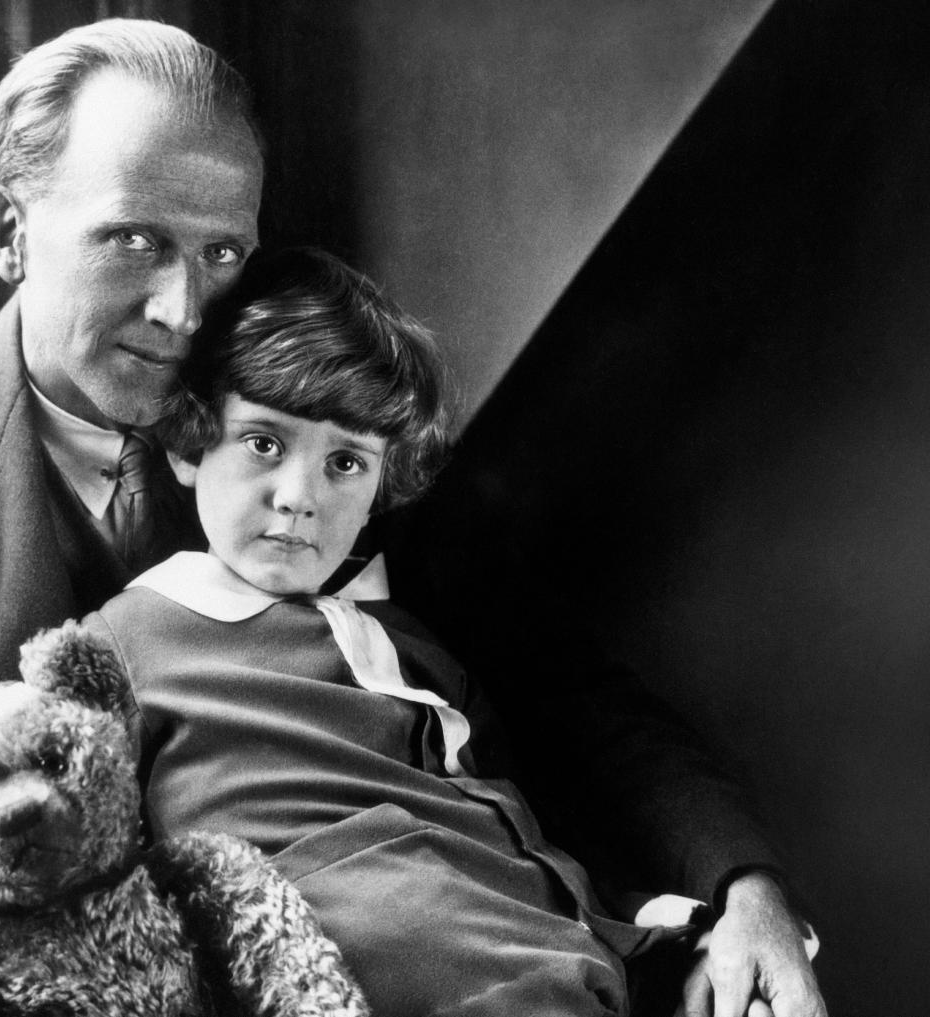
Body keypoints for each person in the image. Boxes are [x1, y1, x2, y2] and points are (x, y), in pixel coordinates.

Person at [0, 17, 822, 1017]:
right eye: (133, 242)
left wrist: (744, 888)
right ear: (5, 232)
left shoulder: (309, 422)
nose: (185, 311)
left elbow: (565, 690)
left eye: (221, 252)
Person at [81, 247, 818, 1016]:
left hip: (553, 959)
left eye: (345, 462)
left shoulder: (417, 635)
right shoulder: (132, 636)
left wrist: (722, 903)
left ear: (381, 485)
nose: (298, 496)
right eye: (264, 443)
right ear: (188, 444)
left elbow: (530, 814)